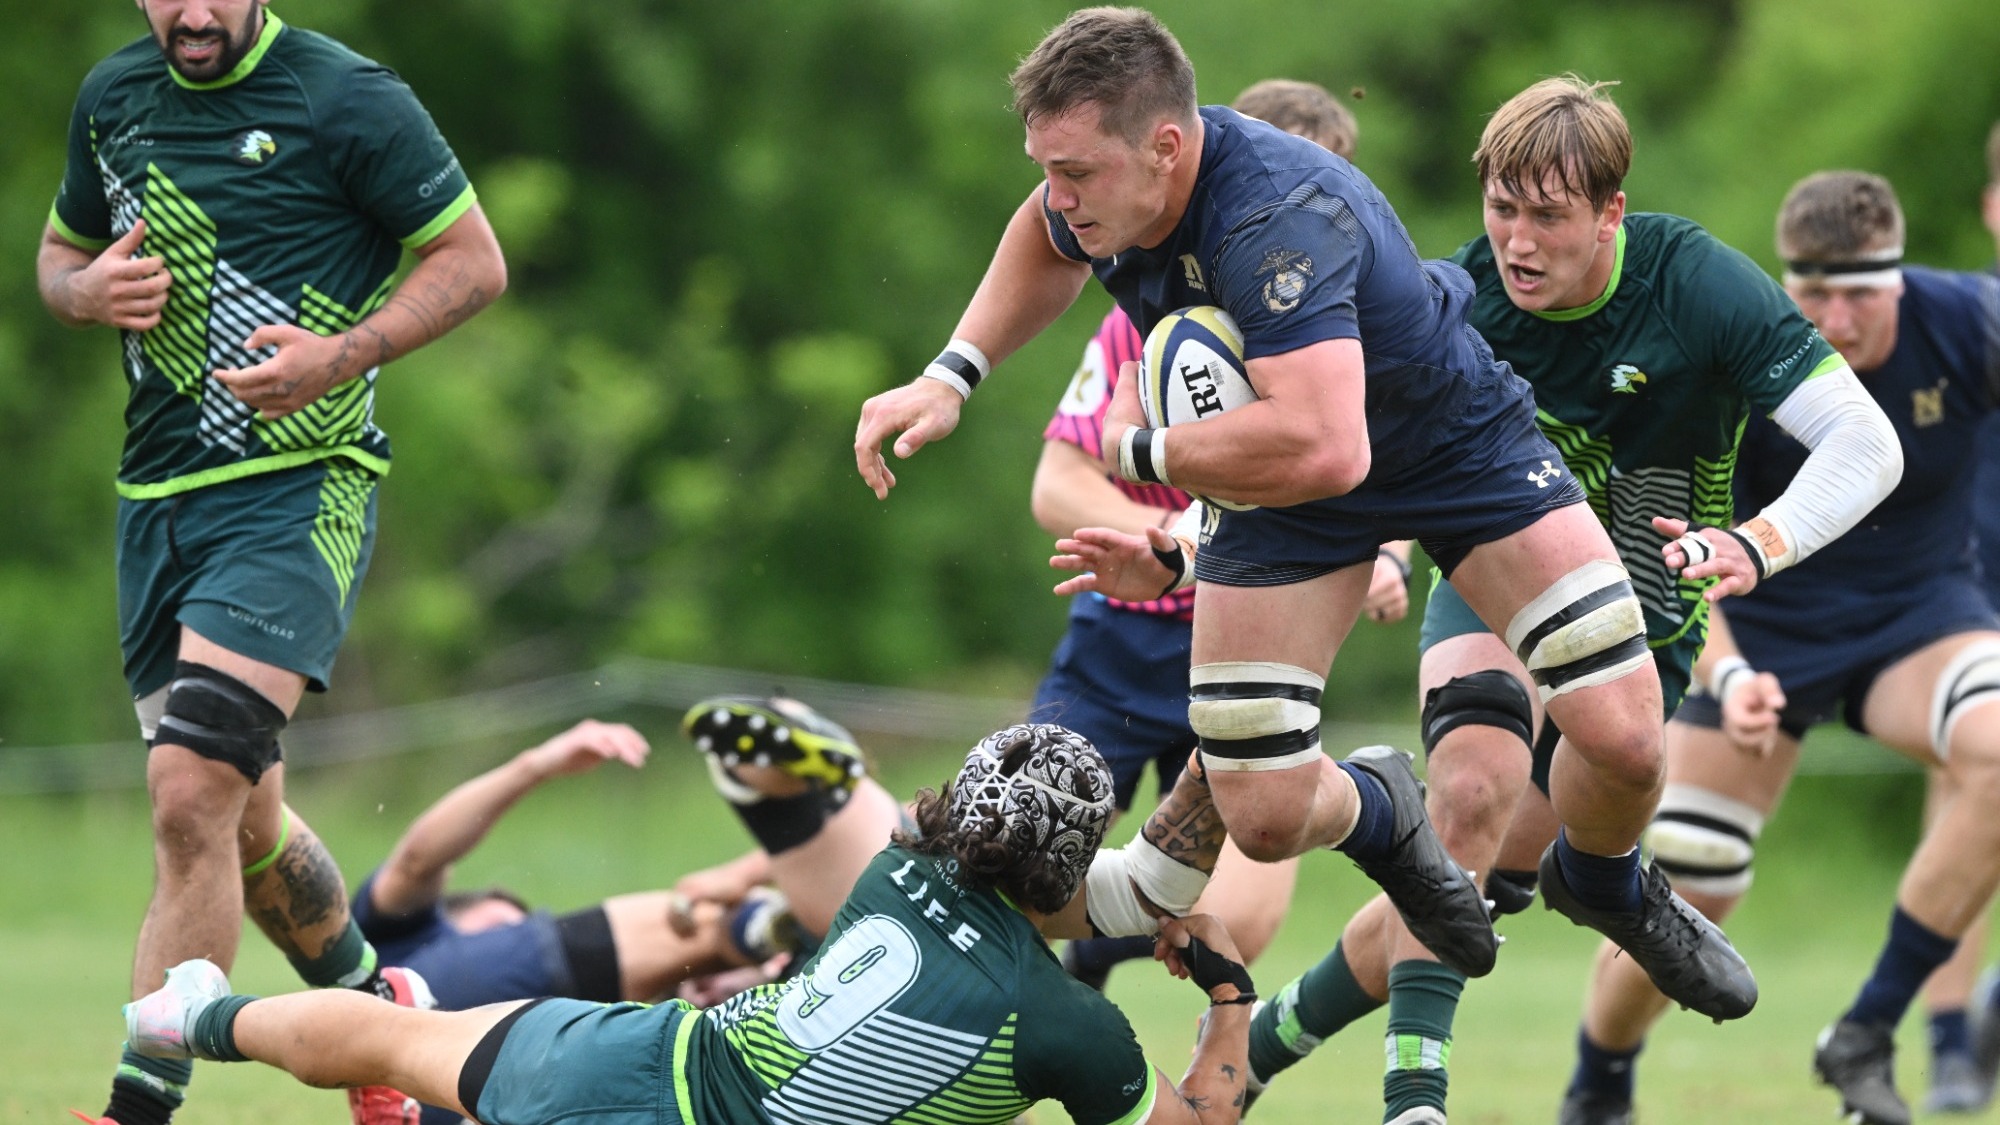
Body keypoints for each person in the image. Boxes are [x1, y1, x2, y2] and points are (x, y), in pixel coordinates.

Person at [1218, 77, 1901, 1124]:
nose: (1518, 242)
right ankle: (1414, 1102)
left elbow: (1866, 442)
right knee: (1467, 798)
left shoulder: (1697, 285)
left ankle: (1593, 882)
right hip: (1494, 577)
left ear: (1610, 212)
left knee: (1478, 876)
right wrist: (1225, 553)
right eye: (1502, 209)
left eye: (1548, 216)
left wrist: (1758, 541)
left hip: (1646, 614)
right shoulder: (1454, 301)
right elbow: (1345, 452)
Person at [37, 3, 506, 1122]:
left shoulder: (345, 96)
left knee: (189, 791)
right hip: (155, 506)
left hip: (297, 490)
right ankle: (379, 1012)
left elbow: (473, 262)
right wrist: (82, 293)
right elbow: (60, 256)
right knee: (240, 825)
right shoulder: (112, 97)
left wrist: (340, 355)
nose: (194, 12)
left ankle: (139, 1107)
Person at [121, 723, 1261, 1125]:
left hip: (625, 1054)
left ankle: (196, 1015)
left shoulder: (896, 861)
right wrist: (1225, 996)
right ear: (1070, 863)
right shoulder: (1067, 1025)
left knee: (391, 1034)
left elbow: (1075, 885)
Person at [1554, 171, 2000, 1125]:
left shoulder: (1970, 326)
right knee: (1693, 883)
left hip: (1920, 615)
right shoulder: (1732, 349)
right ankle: (1599, 1082)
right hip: (1756, 628)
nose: (1836, 318)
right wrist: (1728, 671)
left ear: (1900, 278)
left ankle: (1866, 1030)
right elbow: (1664, 547)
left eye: (1861, 294)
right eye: (1814, 293)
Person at [1031, 75, 1379, 991]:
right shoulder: (1145, 322)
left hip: (1261, 645)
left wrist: (1383, 554)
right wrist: (1176, 543)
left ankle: (1087, 966)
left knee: (1244, 920)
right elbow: (1057, 485)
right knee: (1024, 856)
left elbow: (1370, 476)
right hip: (1125, 643)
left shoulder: (1347, 334)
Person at [344, 702, 908, 1124]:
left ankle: (776, 928)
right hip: (525, 1043)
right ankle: (772, 897)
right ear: (463, 911)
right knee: (707, 925)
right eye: (509, 916)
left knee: (737, 960)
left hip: (549, 1077)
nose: (521, 917)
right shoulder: (400, 950)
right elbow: (417, 858)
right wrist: (534, 765)